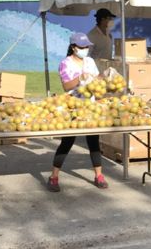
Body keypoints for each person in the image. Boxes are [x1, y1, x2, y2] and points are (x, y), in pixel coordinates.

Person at [47, 32, 108, 192]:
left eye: (87, 46)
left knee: (93, 141)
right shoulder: (65, 63)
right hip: (73, 106)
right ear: (74, 47)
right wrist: (80, 79)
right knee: (67, 141)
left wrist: (104, 78)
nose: (85, 49)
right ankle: (54, 177)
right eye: (82, 47)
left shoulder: (90, 61)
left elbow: (97, 82)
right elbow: (67, 86)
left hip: (90, 106)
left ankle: (99, 176)